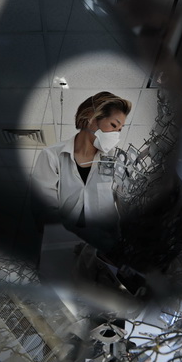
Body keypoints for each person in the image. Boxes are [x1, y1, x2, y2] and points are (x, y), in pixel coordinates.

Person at [32, 91, 132, 253]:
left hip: (106, 249)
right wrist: (82, 233)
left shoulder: (116, 161)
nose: (116, 135)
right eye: (114, 125)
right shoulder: (52, 156)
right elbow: (43, 210)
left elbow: (126, 205)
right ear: (90, 118)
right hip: (61, 247)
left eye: (120, 130)